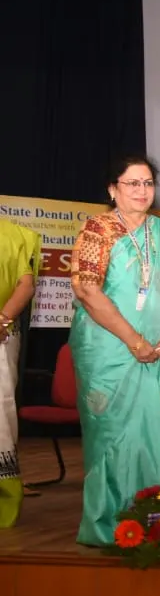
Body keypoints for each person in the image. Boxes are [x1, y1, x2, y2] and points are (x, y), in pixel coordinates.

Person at [69, 156, 160, 546]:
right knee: (114, 435)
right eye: (132, 183)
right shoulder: (98, 230)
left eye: (147, 183)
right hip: (109, 351)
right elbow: (87, 289)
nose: (142, 191)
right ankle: (112, 522)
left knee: (159, 432)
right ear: (113, 189)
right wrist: (134, 340)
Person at [0, 219, 39, 527]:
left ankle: (4, 495)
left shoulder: (17, 235)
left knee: (1, 415)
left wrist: (2, 320)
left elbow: (25, 285)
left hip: (2, 333)